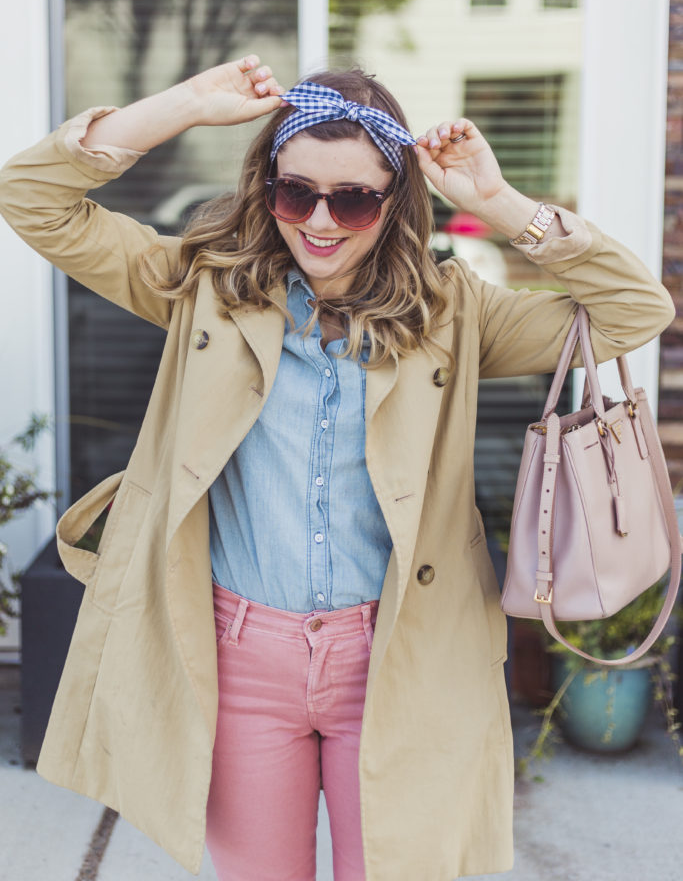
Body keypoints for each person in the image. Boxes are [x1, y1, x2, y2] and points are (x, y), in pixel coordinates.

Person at [0, 55, 673, 881]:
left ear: (393, 204)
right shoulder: (204, 289)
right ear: (267, 186)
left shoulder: (452, 312)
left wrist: (497, 203)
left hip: (396, 655)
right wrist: (180, 106)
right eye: (295, 192)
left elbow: (636, 311)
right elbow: (32, 197)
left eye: (352, 198)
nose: (318, 220)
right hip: (239, 652)